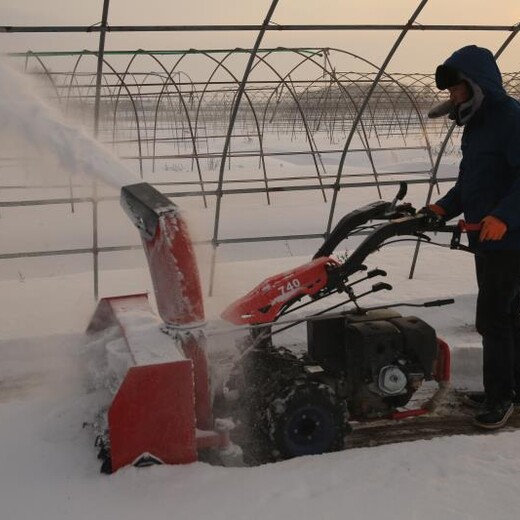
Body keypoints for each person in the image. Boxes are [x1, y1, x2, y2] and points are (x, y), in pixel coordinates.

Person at [427, 45, 520, 429]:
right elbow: (472, 183)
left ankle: (500, 399)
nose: (451, 95)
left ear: (474, 84)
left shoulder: (510, 118)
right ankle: (509, 388)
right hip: (488, 239)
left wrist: (504, 216)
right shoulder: (477, 125)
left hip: (511, 239)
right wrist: (442, 208)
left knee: (494, 319)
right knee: (510, 317)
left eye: (455, 87)